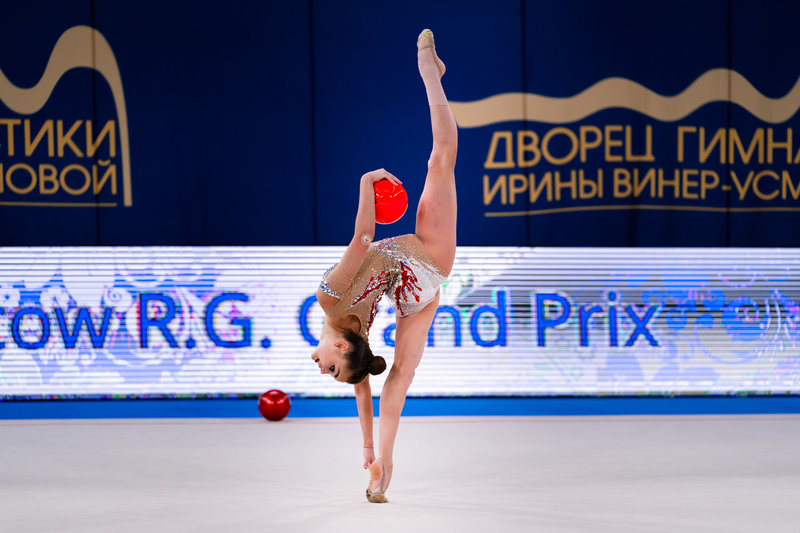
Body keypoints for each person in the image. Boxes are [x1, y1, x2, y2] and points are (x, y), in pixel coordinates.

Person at [312, 28, 456, 503]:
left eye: (330, 372)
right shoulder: (331, 303)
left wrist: (370, 448)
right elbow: (361, 239)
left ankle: (384, 466)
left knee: (400, 374)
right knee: (440, 162)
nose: (322, 370)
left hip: (416, 283)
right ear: (341, 345)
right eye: (332, 371)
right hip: (425, 263)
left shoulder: (343, 323)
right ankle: (428, 75)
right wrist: (366, 183)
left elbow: (360, 385)